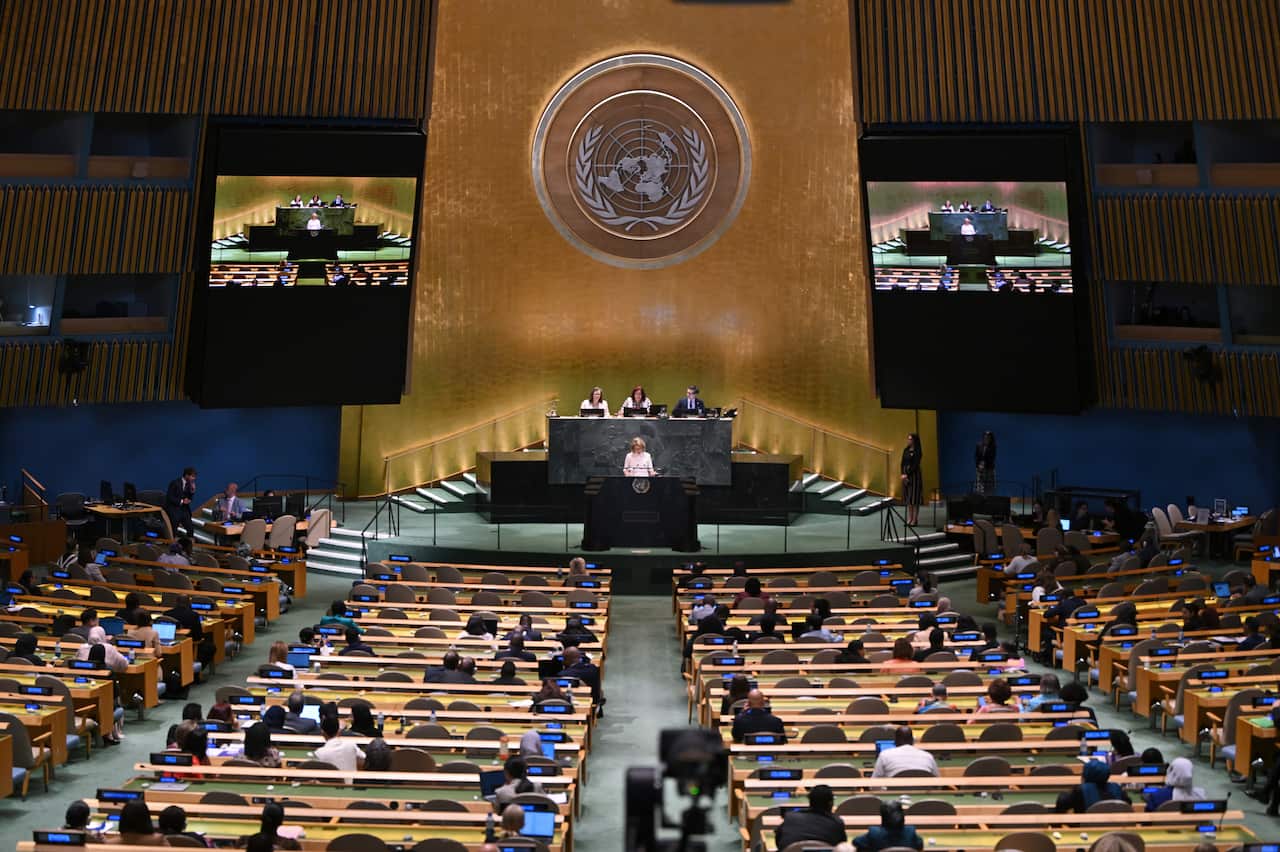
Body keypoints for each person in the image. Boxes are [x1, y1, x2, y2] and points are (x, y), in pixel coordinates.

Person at [774, 784, 847, 850]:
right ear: (830, 803)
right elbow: (841, 847)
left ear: (810, 801)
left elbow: (778, 841)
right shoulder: (837, 823)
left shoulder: (790, 817)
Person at [1055, 759, 1130, 812]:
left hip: (1085, 829)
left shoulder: (1080, 790)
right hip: (1114, 827)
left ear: (1085, 775)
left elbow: (1062, 803)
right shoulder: (1117, 788)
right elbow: (1128, 804)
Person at [852, 800, 923, 852]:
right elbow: (920, 845)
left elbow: (856, 842)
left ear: (883, 817)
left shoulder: (874, 833)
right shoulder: (910, 831)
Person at [871, 726, 938, 777]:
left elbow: (874, 782)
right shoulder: (928, 756)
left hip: (894, 793)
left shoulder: (884, 755)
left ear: (895, 741)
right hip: (924, 793)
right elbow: (937, 781)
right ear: (913, 741)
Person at [164, 467, 197, 538]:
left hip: (184, 511)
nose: (194, 478)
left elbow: (189, 498)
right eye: (192, 476)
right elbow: (169, 497)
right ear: (186, 475)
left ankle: (189, 544)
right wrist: (181, 501)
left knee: (190, 529)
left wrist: (192, 492)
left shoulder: (189, 485)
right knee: (174, 529)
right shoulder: (175, 483)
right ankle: (172, 544)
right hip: (174, 510)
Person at [900, 433, 923, 526]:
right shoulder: (906, 450)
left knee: (914, 498)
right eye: (908, 439)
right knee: (909, 498)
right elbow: (902, 463)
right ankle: (909, 518)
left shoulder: (918, 451)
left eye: (910, 439)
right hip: (905, 475)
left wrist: (907, 474)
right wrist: (903, 474)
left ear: (914, 440)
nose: (908, 440)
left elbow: (915, 465)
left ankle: (915, 519)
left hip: (914, 476)